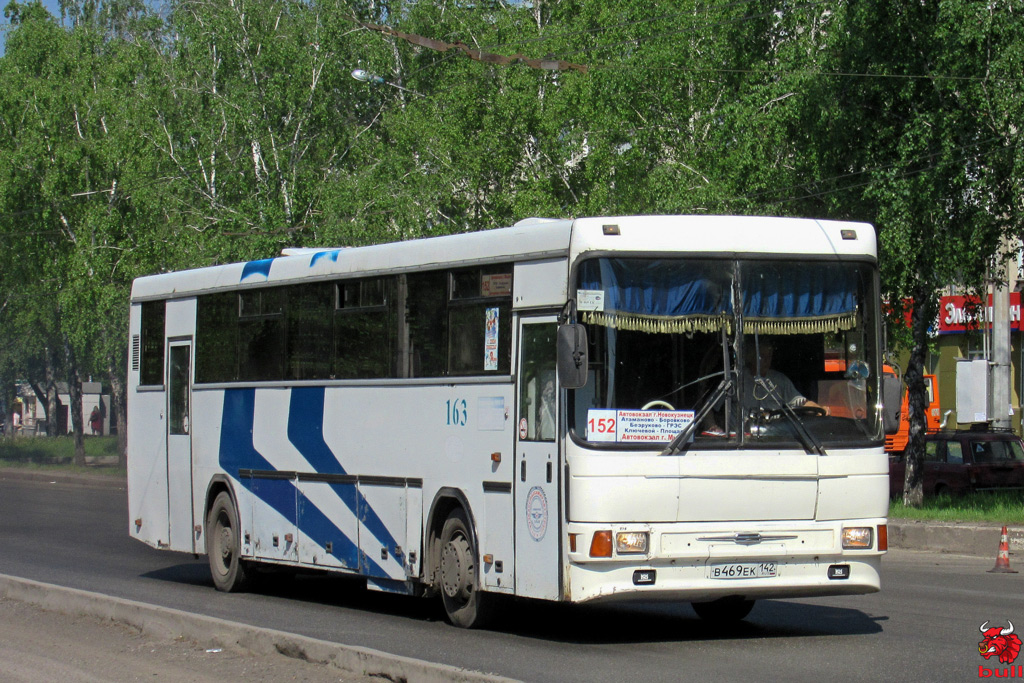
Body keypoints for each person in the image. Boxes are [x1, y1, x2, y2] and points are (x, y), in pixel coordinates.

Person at [741, 338, 824, 415]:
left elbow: (801, 402)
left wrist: (820, 409)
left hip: (775, 428)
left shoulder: (779, 380)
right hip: (748, 429)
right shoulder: (738, 380)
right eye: (762, 356)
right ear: (751, 357)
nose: (767, 360)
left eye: (769, 356)